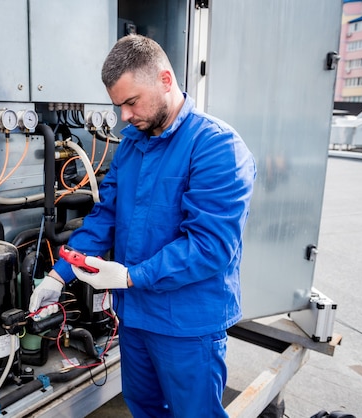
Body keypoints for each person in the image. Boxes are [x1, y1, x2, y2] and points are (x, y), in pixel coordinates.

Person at [29, 34, 256, 417]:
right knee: (145, 408)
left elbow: (209, 247)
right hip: (135, 318)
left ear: (165, 80)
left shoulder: (216, 147)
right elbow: (107, 217)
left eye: (131, 102)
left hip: (187, 324)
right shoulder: (133, 143)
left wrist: (129, 277)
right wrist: (59, 274)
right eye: (118, 106)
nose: (124, 117)